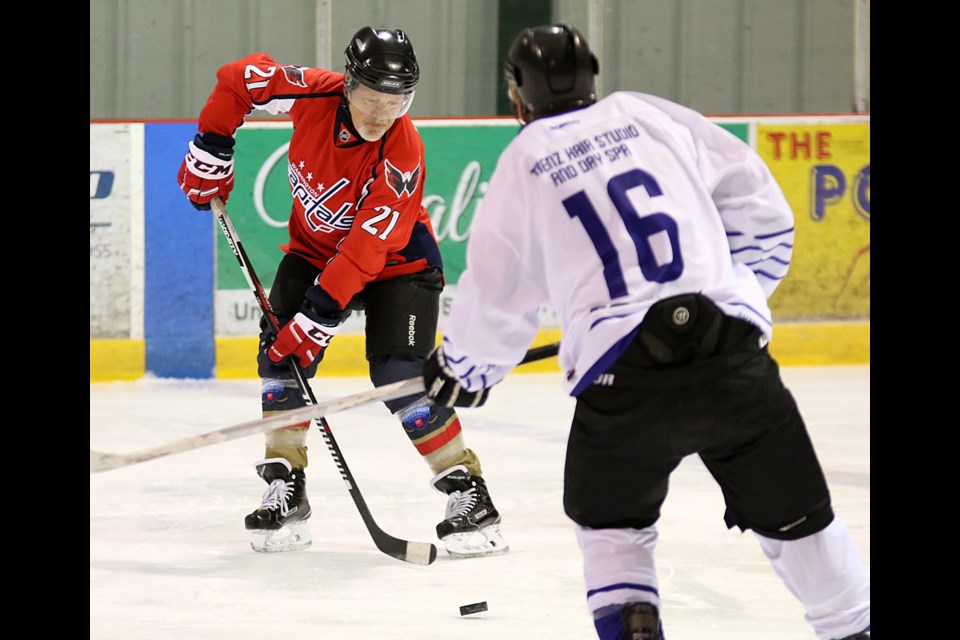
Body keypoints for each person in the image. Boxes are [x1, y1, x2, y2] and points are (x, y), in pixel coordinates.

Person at [422, 23, 869, 640]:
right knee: (803, 528)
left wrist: (465, 371)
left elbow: (498, 291)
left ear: (516, 97)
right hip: (731, 364)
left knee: (613, 534)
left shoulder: (524, 161)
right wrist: (729, 294)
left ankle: (634, 623)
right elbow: (763, 215)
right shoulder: (648, 114)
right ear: (592, 77)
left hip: (622, 380)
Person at [176, 26, 507, 559]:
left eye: (395, 101)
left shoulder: (402, 152)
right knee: (280, 359)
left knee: (399, 374)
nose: (381, 113)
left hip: (400, 265)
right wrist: (212, 145)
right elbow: (237, 80)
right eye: (372, 98)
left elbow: (364, 253)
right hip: (312, 254)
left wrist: (317, 319)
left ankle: (468, 492)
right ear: (348, 86)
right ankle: (288, 487)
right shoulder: (312, 91)